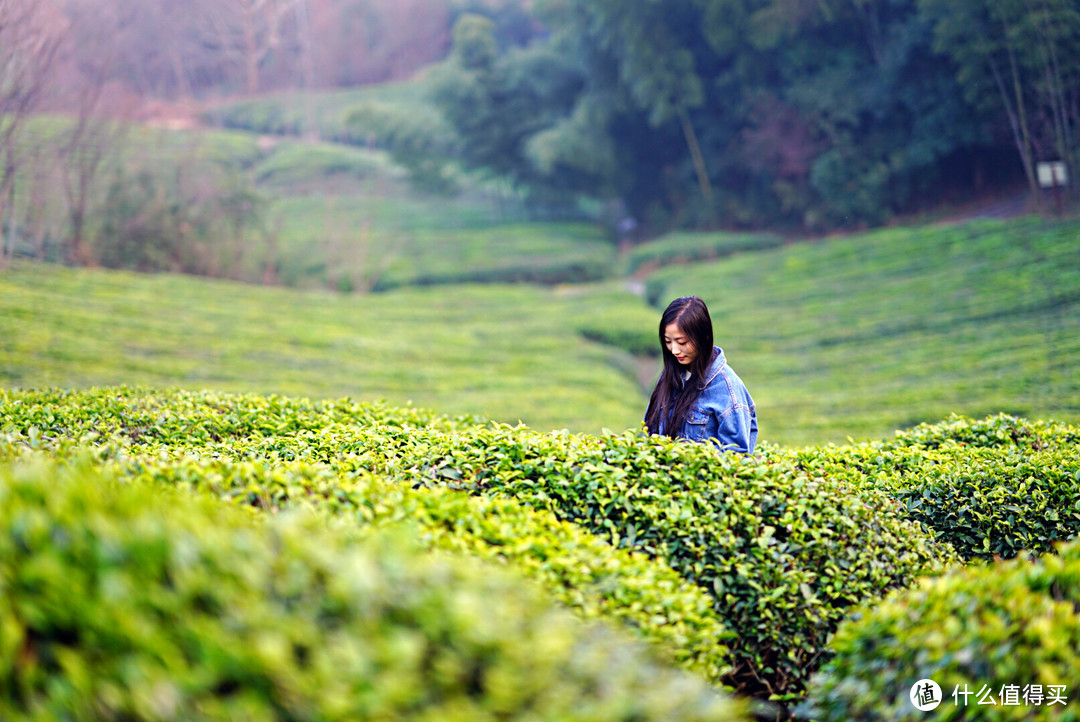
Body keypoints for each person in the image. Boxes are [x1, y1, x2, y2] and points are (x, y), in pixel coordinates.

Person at [644, 296, 758, 454]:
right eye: (668, 341)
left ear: (703, 337)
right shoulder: (670, 374)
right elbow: (648, 432)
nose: (674, 350)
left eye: (681, 342)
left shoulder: (727, 388)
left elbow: (737, 456)